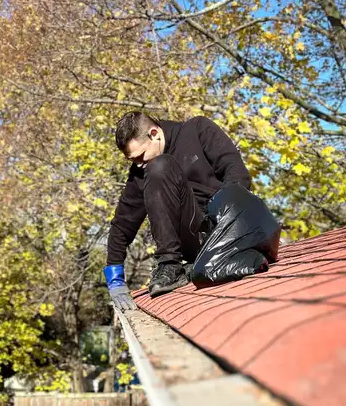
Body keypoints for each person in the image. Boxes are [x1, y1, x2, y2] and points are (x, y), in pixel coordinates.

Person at [104, 111, 251, 311]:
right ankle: (170, 267)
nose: (139, 164)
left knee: (160, 165)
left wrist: (227, 229)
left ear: (154, 133)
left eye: (140, 156)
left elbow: (237, 175)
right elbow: (123, 223)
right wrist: (115, 280)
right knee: (158, 168)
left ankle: (176, 262)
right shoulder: (142, 170)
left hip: (224, 226)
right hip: (195, 240)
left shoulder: (198, 130)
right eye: (133, 160)